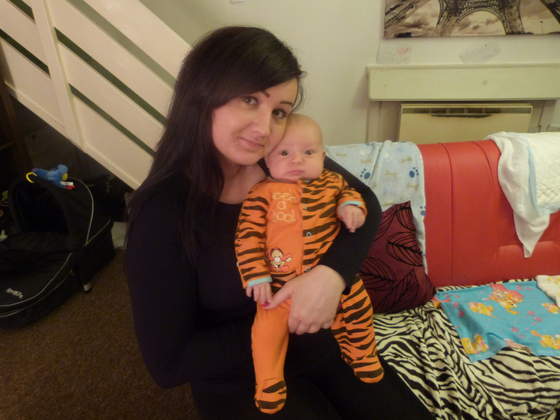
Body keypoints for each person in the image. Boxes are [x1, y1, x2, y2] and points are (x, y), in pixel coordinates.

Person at [126, 25, 433, 419]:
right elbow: (168, 364)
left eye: (279, 112)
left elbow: (364, 201)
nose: (264, 129)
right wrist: (290, 315)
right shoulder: (160, 213)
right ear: (201, 94)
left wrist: (331, 276)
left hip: (328, 342)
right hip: (241, 372)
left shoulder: (280, 162)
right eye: (249, 99)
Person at [235, 114, 384, 414]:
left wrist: (350, 206)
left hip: (330, 285)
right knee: (265, 333)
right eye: (284, 153)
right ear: (266, 159)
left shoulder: (334, 182)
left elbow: (353, 194)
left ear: (323, 156)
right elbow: (247, 237)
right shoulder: (260, 194)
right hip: (279, 289)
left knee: (359, 309)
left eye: (309, 152)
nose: (297, 160)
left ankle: (361, 353)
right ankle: (269, 381)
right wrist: (256, 276)